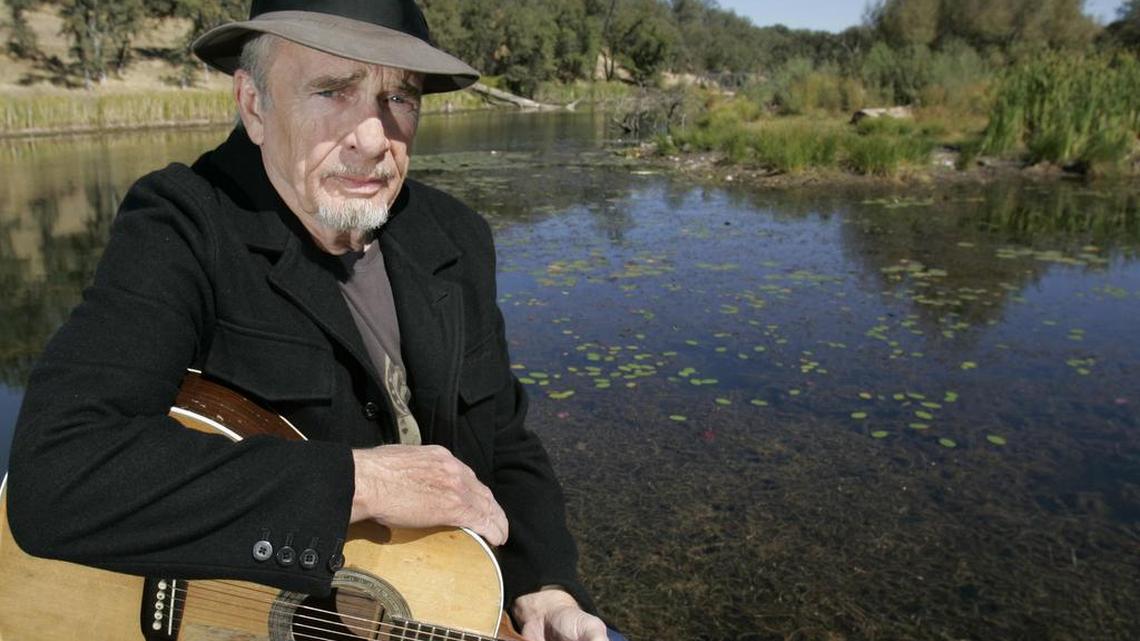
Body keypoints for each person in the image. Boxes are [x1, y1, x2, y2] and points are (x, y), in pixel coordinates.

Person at [7, 2, 617, 640]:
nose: (374, 138)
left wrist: (545, 583)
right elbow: (57, 477)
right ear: (254, 105)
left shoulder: (457, 237)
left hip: (438, 602)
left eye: (399, 99)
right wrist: (362, 480)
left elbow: (506, 441)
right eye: (333, 91)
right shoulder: (183, 227)